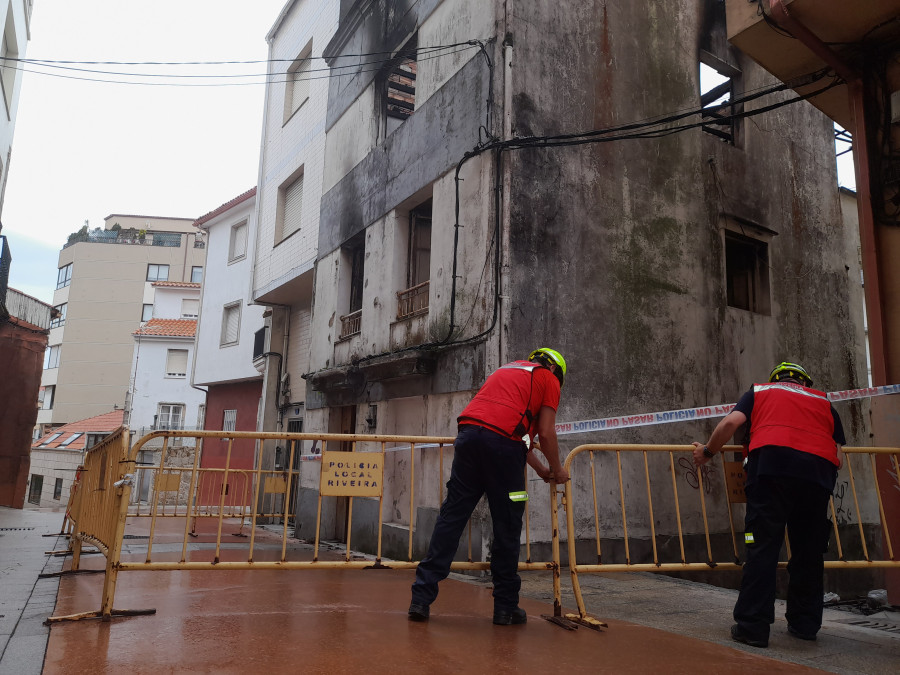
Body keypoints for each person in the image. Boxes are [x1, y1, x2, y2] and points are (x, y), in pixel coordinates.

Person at [409, 348, 571, 625]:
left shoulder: (505, 371)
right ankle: (505, 608)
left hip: (469, 438)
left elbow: (513, 436)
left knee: (452, 516)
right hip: (502, 449)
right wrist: (558, 470)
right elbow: (544, 432)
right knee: (507, 524)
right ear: (555, 369)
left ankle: (420, 600)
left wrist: (542, 470)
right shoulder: (548, 379)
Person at [693, 361, 845, 648]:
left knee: (760, 547)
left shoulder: (760, 391)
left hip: (770, 475)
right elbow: (839, 451)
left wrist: (708, 451)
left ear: (776, 378)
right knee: (809, 553)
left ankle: (753, 627)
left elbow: (730, 423)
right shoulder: (823, 401)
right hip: (817, 480)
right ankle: (805, 625)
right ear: (805, 382)